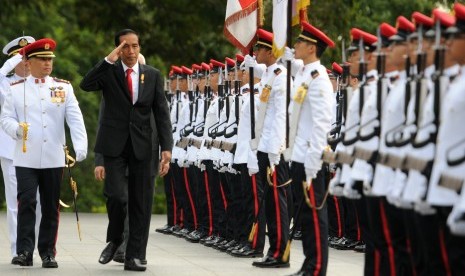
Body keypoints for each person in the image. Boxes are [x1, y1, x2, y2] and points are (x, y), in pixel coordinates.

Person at [80, 29, 173, 272]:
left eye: (135, 46)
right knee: (117, 196)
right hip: (114, 146)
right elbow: (86, 84)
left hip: (144, 145)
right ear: (118, 49)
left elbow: (162, 113)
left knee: (141, 203)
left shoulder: (152, 75)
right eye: (125, 47)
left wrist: (167, 148)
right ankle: (117, 238)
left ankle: (134, 256)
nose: (131, 51)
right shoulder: (109, 73)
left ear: (140, 48)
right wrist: (109, 59)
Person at [0, 38, 88, 268]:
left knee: (50, 206)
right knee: (26, 202)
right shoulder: (16, 89)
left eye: (50, 59)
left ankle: (48, 252)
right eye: (42, 59)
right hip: (25, 156)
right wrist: (16, 130)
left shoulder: (63, 87)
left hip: (53, 156)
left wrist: (81, 145)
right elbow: (5, 118)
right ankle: (25, 251)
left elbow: (75, 119)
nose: (48, 63)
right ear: (29, 61)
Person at [283, 22, 335, 276]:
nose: (295, 46)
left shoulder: (319, 78)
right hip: (300, 156)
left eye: (300, 43)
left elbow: (322, 123)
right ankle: (309, 262)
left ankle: (317, 268)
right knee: (304, 217)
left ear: (312, 47)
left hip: (311, 159)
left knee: (315, 217)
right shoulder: (305, 73)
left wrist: (314, 162)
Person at [245, 28, 291, 268]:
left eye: (260, 49)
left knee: (277, 201)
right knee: (270, 202)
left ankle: (280, 252)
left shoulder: (281, 76)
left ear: (270, 51)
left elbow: (281, 116)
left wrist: (275, 150)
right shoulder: (269, 75)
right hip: (265, 147)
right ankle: (274, 249)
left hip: (275, 149)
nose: (256, 52)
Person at [0, 35, 43, 265]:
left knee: (37, 201)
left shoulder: (40, 82)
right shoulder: (4, 83)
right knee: (16, 203)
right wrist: (5, 68)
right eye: (21, 58)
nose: (26, 62)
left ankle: (34, 246)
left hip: (39, 151)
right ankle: (19, 249)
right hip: (11, 150)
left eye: (29, 57)